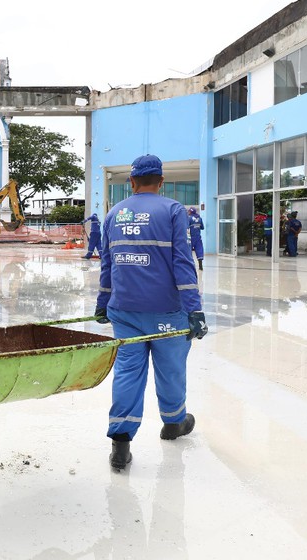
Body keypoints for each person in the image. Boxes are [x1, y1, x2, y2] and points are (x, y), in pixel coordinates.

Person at [94, 154, 208, 470]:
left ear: (131, 182)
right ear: (161, 182)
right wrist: (194, 310)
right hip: (166, 311)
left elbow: (108, 265)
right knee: (170, 366)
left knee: (128, 370)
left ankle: (121, 444)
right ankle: (173, 423)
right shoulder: (173, 211)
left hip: (125, 311)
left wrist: (102, 303)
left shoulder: (114, 214)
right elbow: (183, 264)